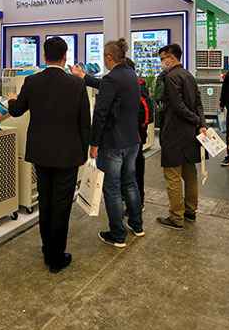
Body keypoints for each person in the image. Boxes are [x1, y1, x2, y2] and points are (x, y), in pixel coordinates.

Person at [8, 36, 90, 273]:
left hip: (41, 153)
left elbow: (17, 110)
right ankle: (56, 257)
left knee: (45, 202)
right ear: (65, 57)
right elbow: (85, 121)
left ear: (44, 56)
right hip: (68, 154)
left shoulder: (32, 81)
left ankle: (47, 249)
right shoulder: (76, 84)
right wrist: (84, 152)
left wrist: (12, 101)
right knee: (61, 205)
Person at [73, 39, 143, 247]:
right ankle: (137, 225)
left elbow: (100, 113)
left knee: (112, 188)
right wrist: (84, 77)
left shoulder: (112, 78)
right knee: (130, 183)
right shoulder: (130, 74)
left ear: (109, 57)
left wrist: (94, 143)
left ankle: (117, 234)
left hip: (113, 142)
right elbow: (106, 86)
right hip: (132, 140)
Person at [156, 42, 206, 229]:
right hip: (190, 134)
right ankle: (191, 211)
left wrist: (194, 119)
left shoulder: (171, 77)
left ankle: (176, 217)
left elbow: (177, 106)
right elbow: (199, 102)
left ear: (171, 57)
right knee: (190, 173)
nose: (162, 62)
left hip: (174, 132)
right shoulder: (189, 75)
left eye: (163, 58)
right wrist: (200, 123)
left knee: (173, 175)